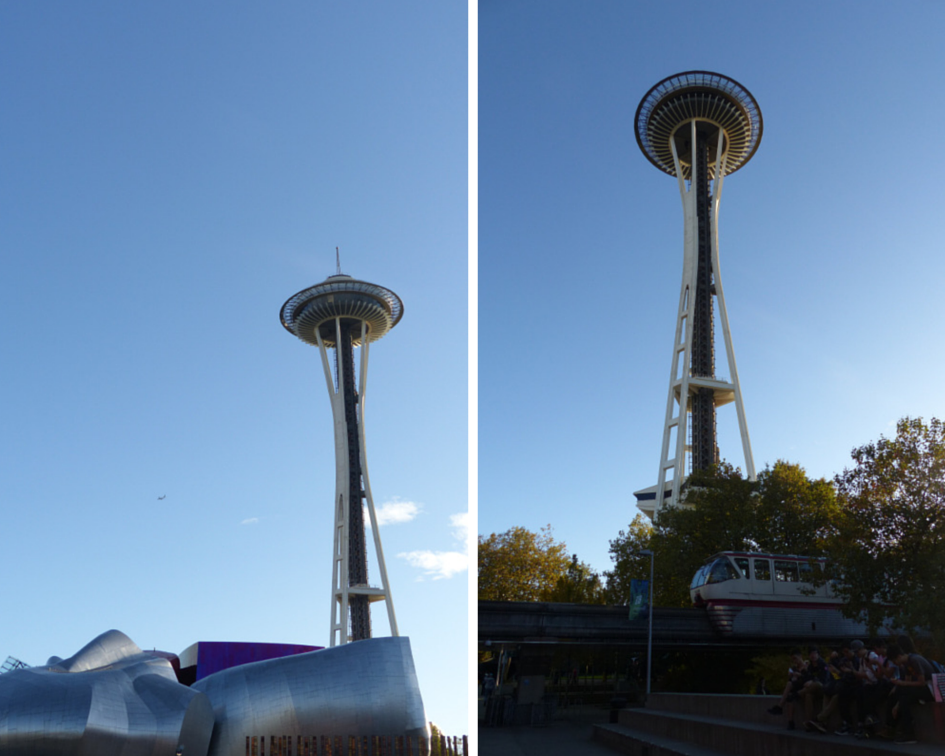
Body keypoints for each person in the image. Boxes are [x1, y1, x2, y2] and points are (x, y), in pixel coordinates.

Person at [878, 641, 935, 744]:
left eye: (894, 661)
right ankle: (891, 726)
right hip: (921, 688)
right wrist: (897, 703)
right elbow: (907, 683)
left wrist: (901, 684)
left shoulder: (914, 660)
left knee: (904, 698)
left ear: (899, 656)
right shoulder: (906, 663)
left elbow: (921, 682)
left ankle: (909, 733)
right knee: (897, 693)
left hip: (930, 688)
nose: (895, 664)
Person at [767, 650, 807, 730]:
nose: (795, 661)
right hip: (795, 687)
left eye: (795, 658)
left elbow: (808, 678)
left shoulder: (806, 666)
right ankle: (790, 722)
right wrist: (792, 676)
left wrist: (800, 675)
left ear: (800, 657)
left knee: (789, 685)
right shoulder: (794, 668)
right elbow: (791, 681)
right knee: (789, 697)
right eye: (793, 659)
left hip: (804, 687)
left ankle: (780, 706)